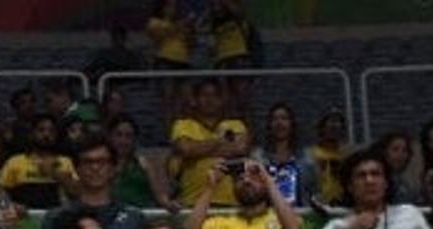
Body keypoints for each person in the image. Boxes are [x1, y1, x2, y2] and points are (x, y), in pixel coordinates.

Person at [168, 78, 247, 208]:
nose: (209, 100)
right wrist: (220, 142)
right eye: (204, 95)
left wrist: (197, 149)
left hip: (229, 203)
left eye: (215, 95)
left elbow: (240, 149)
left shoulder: (235, 124)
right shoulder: (183, 125)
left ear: (222, 100)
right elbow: (186, 149)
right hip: (193, 202)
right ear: (195, 100)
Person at [0, 115, 73, 212]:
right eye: (41, 130)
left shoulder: (65, 161)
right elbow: (0, 192)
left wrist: (55, 173)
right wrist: (11, 206)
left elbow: (77, 193)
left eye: (51, 131)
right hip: (23, 220)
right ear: (32, 134)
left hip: (56, 220)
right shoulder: (15, 162)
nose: (46, 135)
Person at [250, 104, 313, 210]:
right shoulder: (258, 157)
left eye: (284, 118)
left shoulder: (307, 158)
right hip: (266, 217)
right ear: (269, 125)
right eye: (274, 119)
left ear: (292, 124)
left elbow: (314, 192)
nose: (279, 123)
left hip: (300, 215)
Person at [109, 115, 170, 212]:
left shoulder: (144, 163)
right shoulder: (101, 163)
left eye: (128, 136)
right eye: (119, 135)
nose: (123, 141)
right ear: (110, 136)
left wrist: (169, 204)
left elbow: (161, 197)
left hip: (143, 216)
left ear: (134, 139)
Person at [308, 109, 347, 206]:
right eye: (330, 123)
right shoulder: (310, 155)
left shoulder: (348, 155)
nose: (334, 126)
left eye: (338, 123)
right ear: (322, 128)